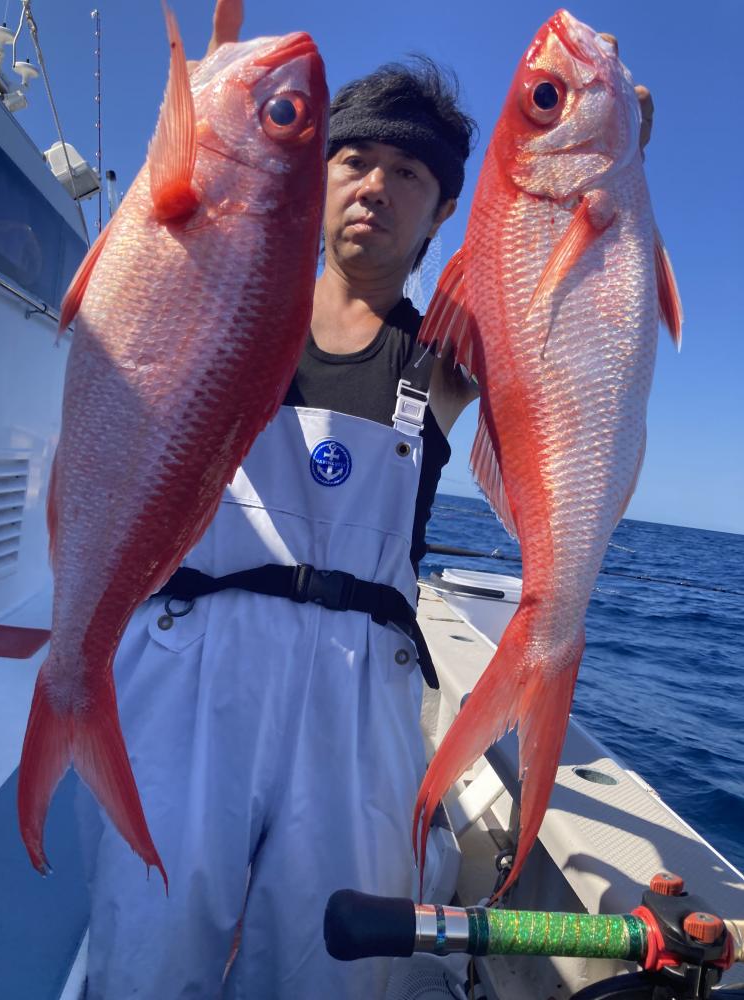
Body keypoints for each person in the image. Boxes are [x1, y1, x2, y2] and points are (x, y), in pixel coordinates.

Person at [82, 3, 654, 998]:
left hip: (358, 692)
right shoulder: (215, 297)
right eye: (354, 160)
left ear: (443, 213)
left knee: (328, 967)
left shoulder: (445, 354)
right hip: (189, 666)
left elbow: (561, 322)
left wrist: (622, 155)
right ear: (318, 175)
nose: (376, 187)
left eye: (409, 174)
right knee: (147, 949)